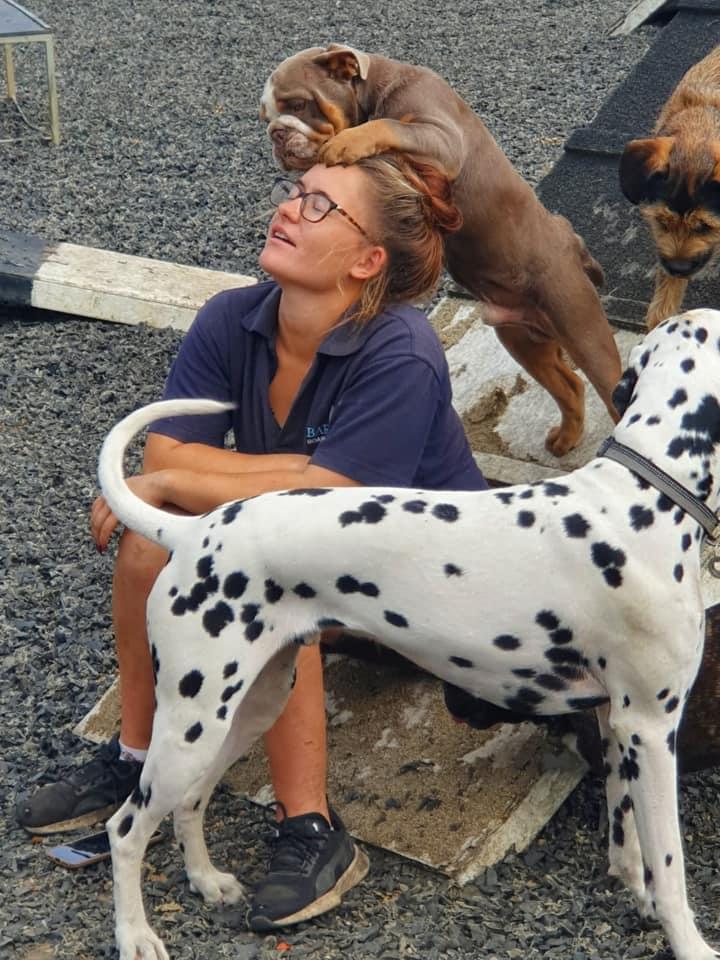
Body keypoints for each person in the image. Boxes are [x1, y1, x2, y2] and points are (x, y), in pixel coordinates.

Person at [17, 154, 488, 929]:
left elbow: (332, 498)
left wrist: (206, 478)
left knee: (266, 573)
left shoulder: (401, 347)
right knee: (149, 547)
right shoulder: (231, 317)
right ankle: (138, 762)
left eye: (319, 207)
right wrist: (285, 470)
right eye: (296, 193)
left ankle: (311, 826)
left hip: (428, 593)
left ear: (369, 260)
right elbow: (164, 460)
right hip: (317, 557)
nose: (288, 208)